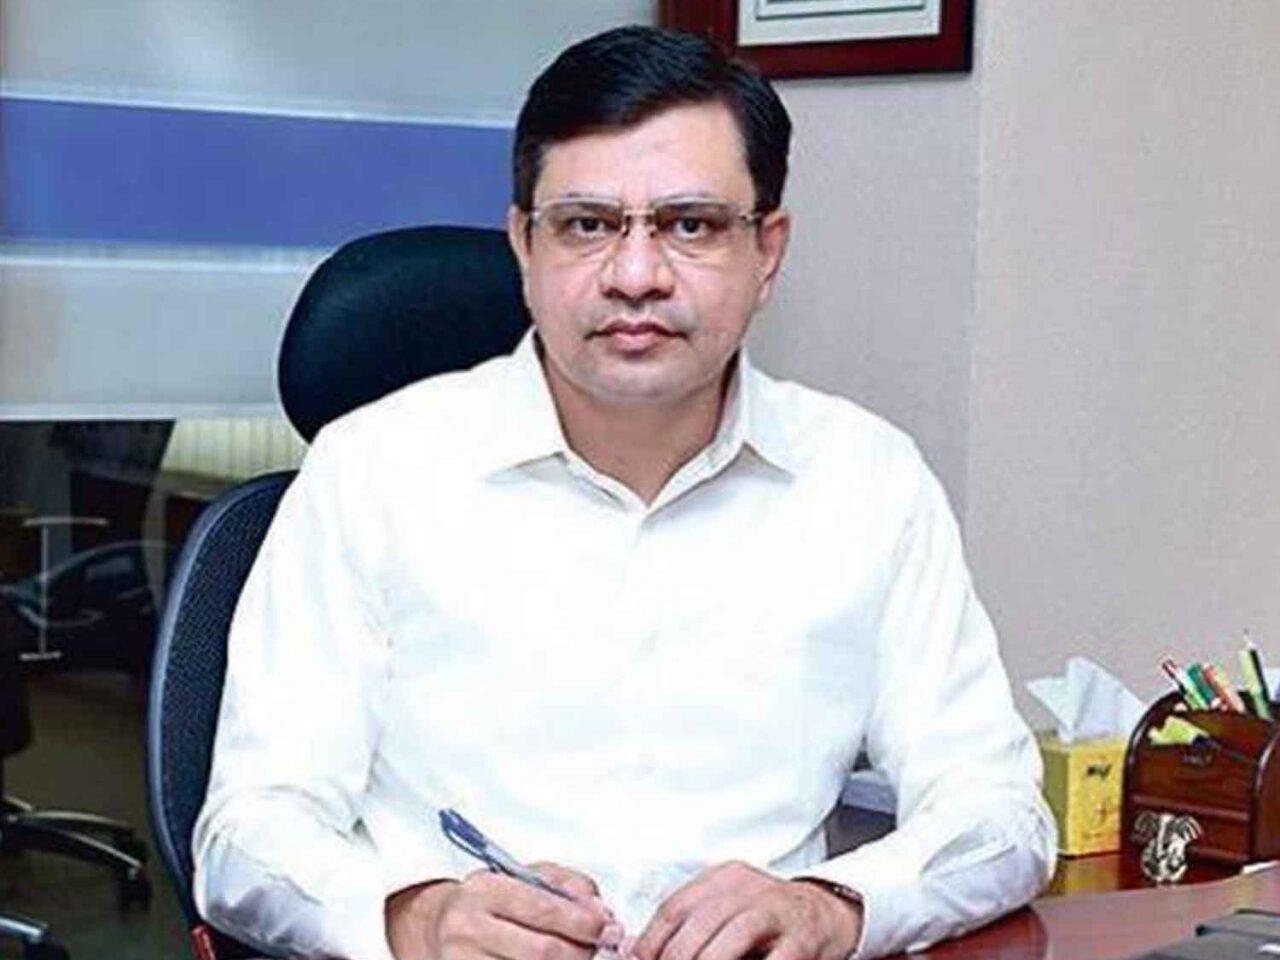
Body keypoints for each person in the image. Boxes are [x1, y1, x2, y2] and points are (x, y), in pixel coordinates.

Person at [193, 24, 1056, 960]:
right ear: (524, 246)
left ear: (767, 251)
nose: (636, 277)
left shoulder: (867, 480)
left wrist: (833, 906)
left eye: (690, 225)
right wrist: (414, 918)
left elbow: (999, 813)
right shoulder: (372, 475)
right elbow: (248, 833)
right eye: (586, 225)